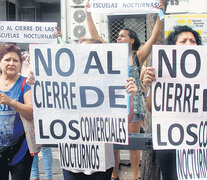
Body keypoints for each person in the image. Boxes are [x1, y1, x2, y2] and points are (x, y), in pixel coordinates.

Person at [27, 38, 138, 180]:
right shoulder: (62, 80)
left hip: (101, 159)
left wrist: (130, 97)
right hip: (72, 158)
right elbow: (48, 106)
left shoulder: (112, 81)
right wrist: (37, 83)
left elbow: (126, 120)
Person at [85, 1, 164, 179]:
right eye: (118, 36)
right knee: (114, 142)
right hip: (113, 103)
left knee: (134, 141)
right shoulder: (110, 52)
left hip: (134, 103)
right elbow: (95, 36)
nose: (118, 38)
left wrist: (160, 15)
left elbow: (153, 36)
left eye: (122, 36)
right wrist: (88, 13)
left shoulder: (138, 56)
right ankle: (115, 175)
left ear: (132, 39)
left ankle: (135, 176)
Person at [142, 25, 202, 180]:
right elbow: (152, 109)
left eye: (193, 41)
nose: (189, 44)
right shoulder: (163, 71)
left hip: (199, 142)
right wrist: (152, 86)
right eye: (183, 41)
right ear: (173, 47)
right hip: (171, 141)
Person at [0, 44, 33, 180]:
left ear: (20, 64)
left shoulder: (25, 83)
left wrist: (10, 102)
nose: (11, 63)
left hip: (20, 150)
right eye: (7, 60)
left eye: (15, 60)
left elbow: (30, 112)